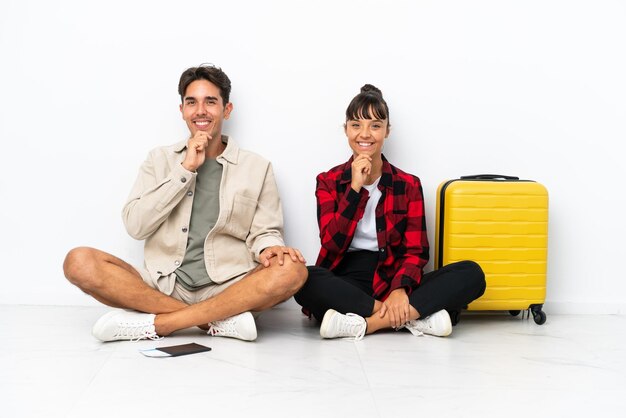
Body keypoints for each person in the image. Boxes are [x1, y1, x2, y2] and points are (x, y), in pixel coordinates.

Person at [63, 64, 308, 342]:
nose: (200, 110)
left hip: (230, 287)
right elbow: (135, 225)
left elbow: (266, 231)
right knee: (78, 262)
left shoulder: (257, 167)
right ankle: (213, 322)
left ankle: (160, 324)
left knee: (293, 269)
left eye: (211, 102)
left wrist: (270, 249)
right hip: (164, 287)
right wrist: (185, 170)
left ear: (227, 110)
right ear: (182, 111)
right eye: (191, 102)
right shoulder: (159, 160)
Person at [294, 84, 485, 340]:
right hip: (348, 279)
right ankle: (411, 318)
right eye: (356, 125)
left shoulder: (408, 184)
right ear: (346, 130)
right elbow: (331, 244)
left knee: (471, 273)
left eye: (375, 125)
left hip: (395, 273)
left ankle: (366, 324)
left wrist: (400, 289)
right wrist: (354, 189)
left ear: (387, 131)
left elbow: (417, 252)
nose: (365, 134)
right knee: (304, 279)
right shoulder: (328, 181)